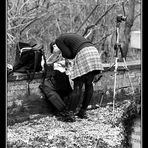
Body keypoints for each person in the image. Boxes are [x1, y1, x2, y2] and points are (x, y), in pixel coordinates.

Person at [50, 33, 104, 119]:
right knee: (89, 84)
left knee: (77, 86)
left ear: (54, 46)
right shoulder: (67, 38)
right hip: (93, 51)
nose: (57, 54)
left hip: (84, 53)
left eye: (55, 52)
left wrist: (63, 54)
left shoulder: (58, 40)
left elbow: (69, 55)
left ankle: (70, 114)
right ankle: (82, 112)